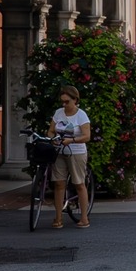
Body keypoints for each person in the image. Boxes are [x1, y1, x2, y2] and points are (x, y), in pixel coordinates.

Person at [51, 85, 92, 228]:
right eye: (62, 102)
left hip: (76, 152)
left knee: (79, 184)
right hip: (60, 151)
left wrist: (72, 140)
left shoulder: (81, 115)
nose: (64, 105)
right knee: (58, 183)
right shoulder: (58, 113)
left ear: (75, 100)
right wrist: (53, 138)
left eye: (67, 101)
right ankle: (58, 218)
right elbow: (50, 131)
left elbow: (87, 136)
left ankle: (84, 218)